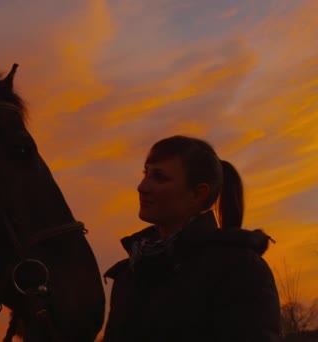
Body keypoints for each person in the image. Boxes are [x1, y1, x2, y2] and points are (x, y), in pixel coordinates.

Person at [102, 135, 281, 341]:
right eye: (146, 173)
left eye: (159, 177)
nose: (142, 186)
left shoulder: (240, 268)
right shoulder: (129, 274)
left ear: (197, 194)